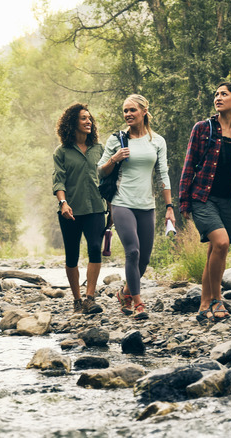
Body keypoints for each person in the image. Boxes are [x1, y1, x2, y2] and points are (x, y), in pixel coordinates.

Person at [179, 82, 231, 324]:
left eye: (224, 94)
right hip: (202, 198)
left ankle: (204, 304)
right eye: (216, 94)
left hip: (230, 200)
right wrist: (184, 199)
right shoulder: (202, 129)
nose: (218, 97)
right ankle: (216, 299)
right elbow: (189, 164)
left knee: (214, 250)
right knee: (222, 243)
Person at [98, 94, 174, 320]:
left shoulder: (157, 141)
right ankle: (138, 302)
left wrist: (169, 206)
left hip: (147, 204)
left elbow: (162, 174)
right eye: (125, 111)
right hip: (122, 202)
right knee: (132, 251)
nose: (128, 114)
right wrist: (115, 158)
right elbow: (100, 170)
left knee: (144, 259)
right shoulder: (117, 139)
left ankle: (125, 293)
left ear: (144, 111)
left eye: (132, 110)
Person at [52, 103, 107, 314]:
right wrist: (63, 203)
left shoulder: (99, 150)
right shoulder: (62, 152)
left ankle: (89, 298)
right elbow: (58, 181)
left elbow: (107, 181)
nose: (88, 122)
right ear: (72, 123)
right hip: (70, 211)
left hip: (95, 208)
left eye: (90, 119)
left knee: (95, 248)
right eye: (83, 118)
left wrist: (110, 209)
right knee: (72, 255)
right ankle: (76, 299)